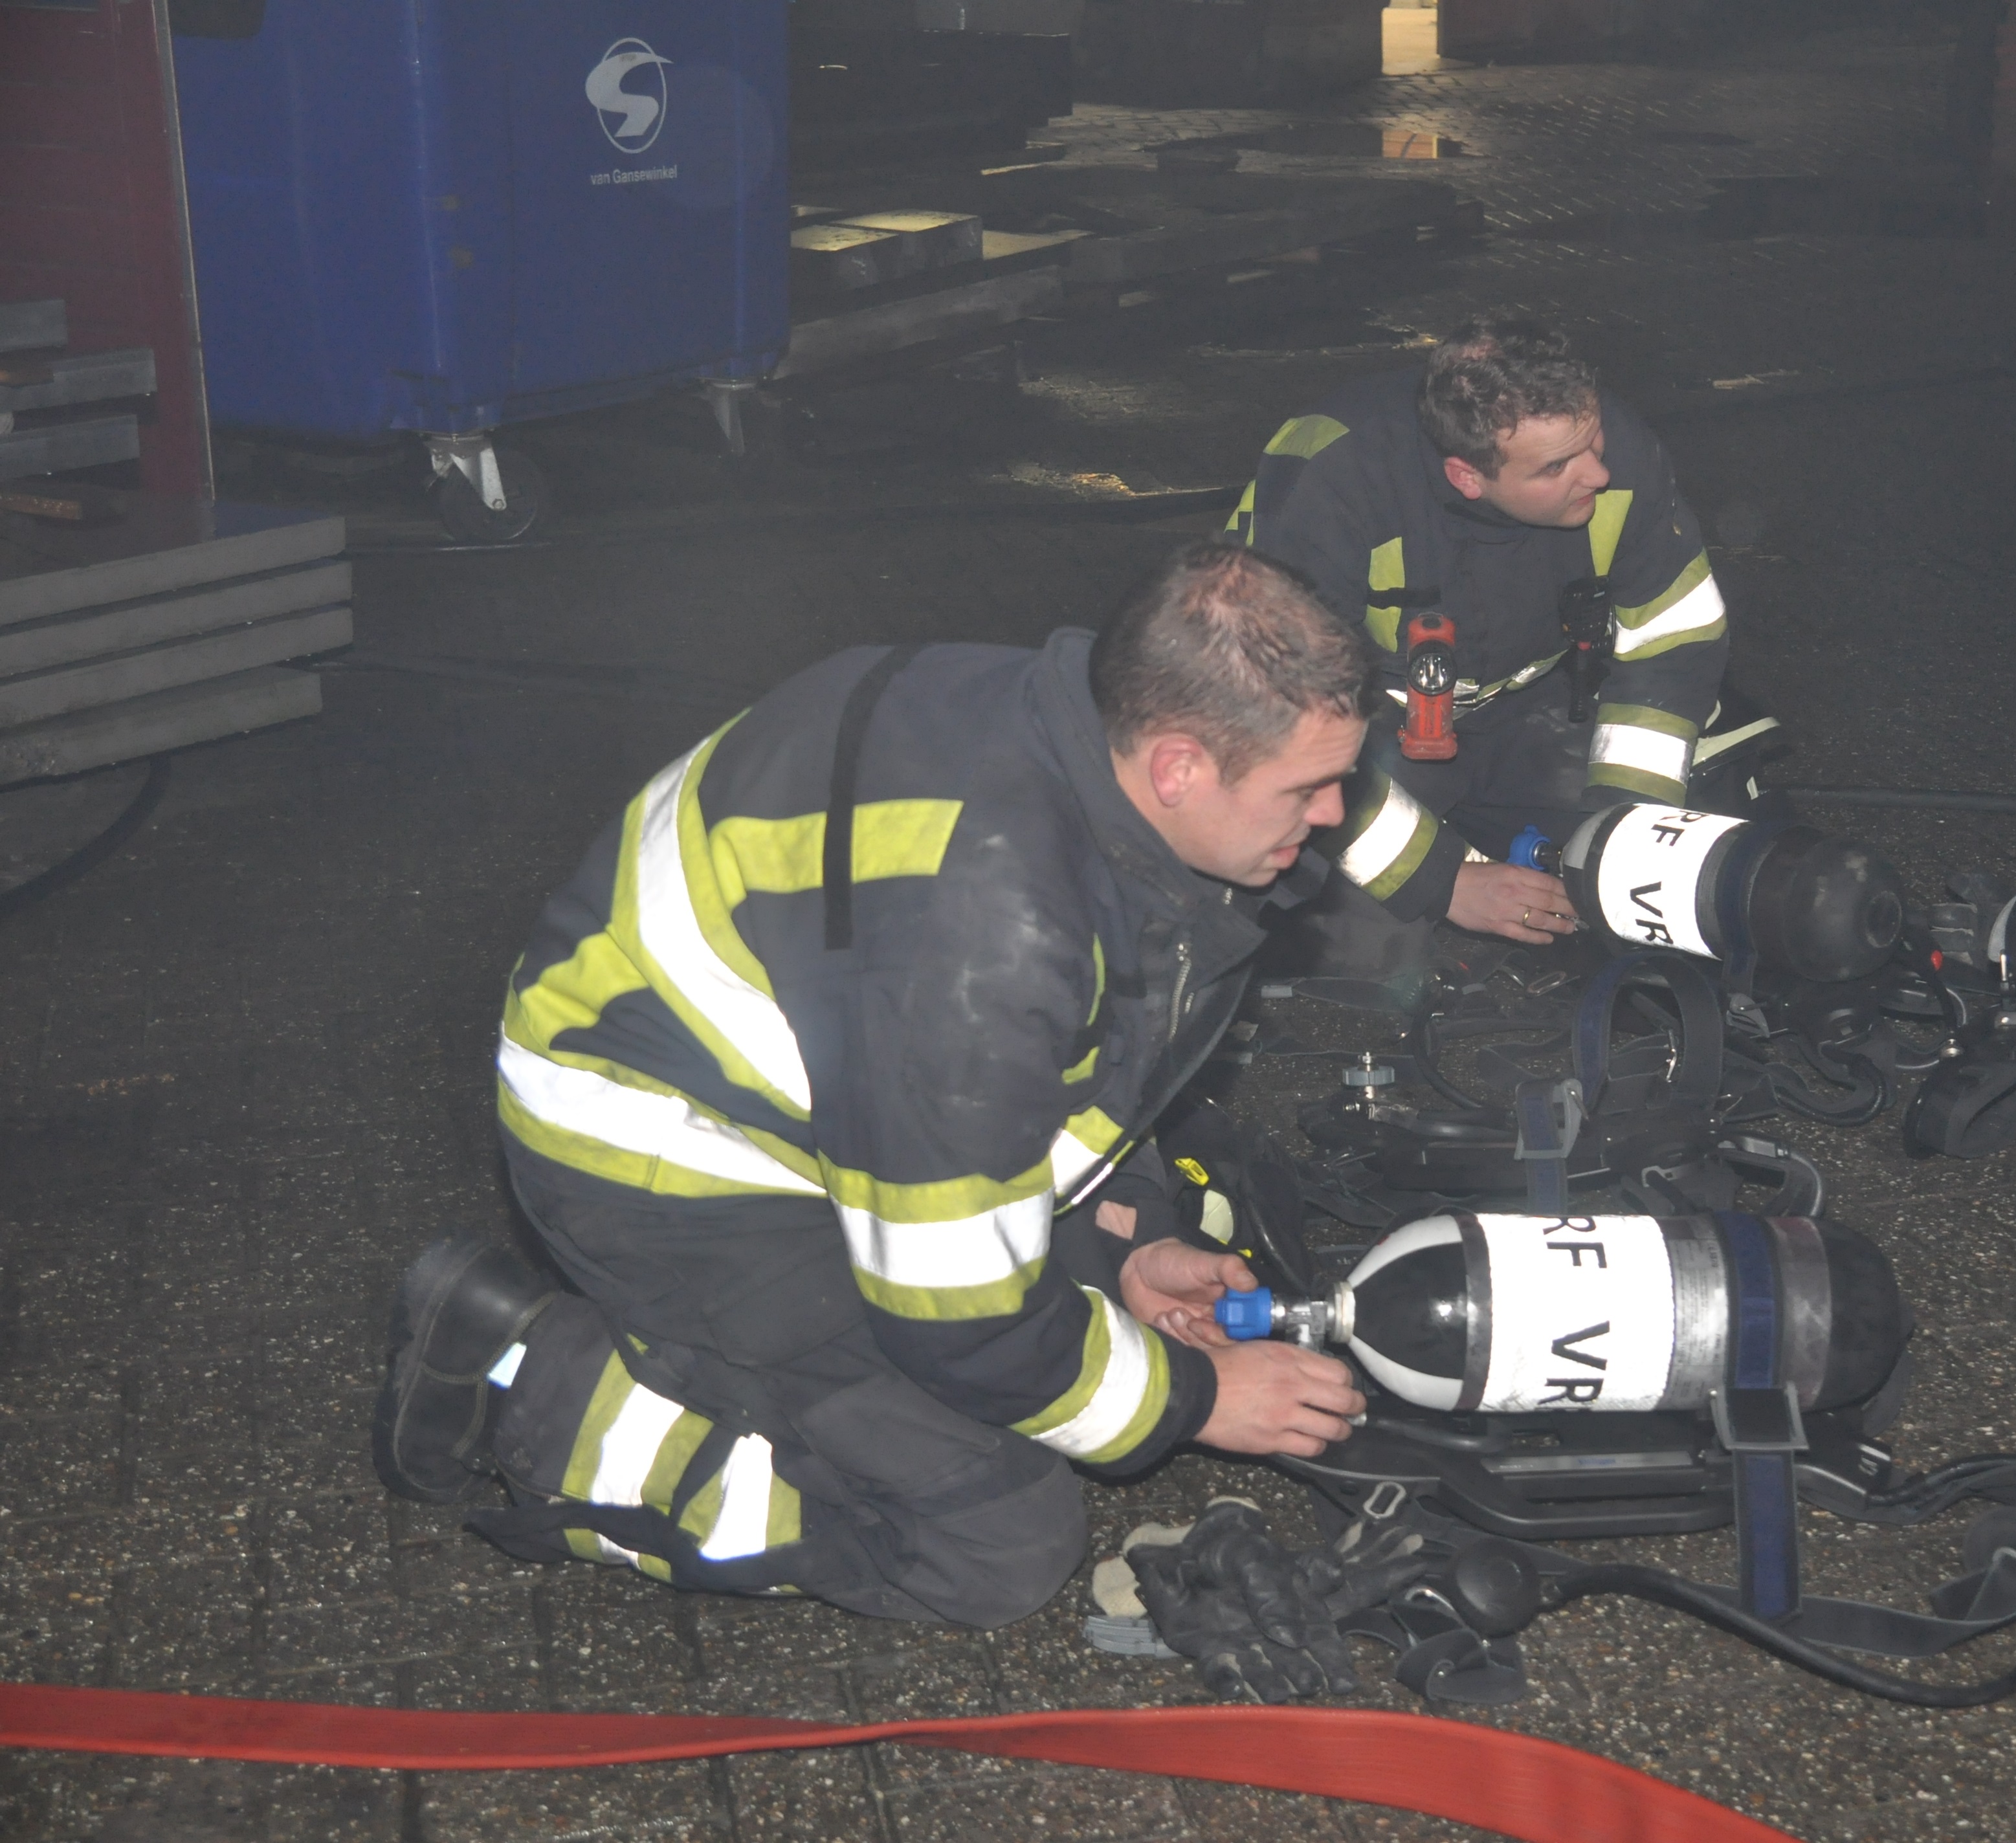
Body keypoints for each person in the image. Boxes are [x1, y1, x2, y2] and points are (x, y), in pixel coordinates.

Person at [373, 542, 1371, 1628]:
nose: (1332, 814)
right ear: (1177, 766)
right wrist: (1192, 1398)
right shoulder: (983, 938)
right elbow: (958, 1310)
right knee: (993, 1540)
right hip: (656, 1166)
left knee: (1022, 1348)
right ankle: (528, 1382)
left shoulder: (1068, 728)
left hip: (802, 1094)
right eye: (1305, 788)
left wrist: (1119, 1241)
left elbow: (1066, 1069)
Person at [1229, 315, 1767, 972]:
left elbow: (1674, 641)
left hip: (1529, 710)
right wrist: (1444, 881)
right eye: (1557, 467)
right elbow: (1278, 721)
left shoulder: (1609, 447)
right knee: (1354, 936)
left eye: (1592, 441)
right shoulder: (1336, 478)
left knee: (1697, 868)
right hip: (1361, 734)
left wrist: (1628, 824)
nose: (1598, 474)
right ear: (1466, 476)